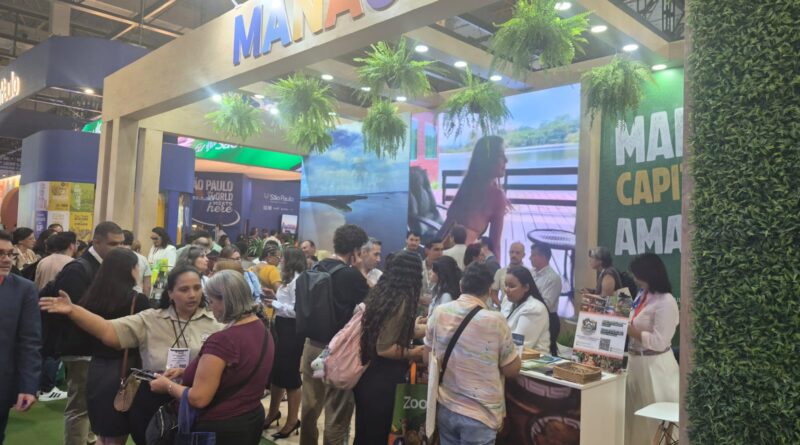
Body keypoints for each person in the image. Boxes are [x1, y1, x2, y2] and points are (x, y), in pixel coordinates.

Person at [40, 265, 224, 445]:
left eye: (197, 288)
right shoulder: (150, 319)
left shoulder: (217, 324)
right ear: (170, 293)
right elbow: (107, 329)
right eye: (184, 289)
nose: (192, 294)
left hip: (198, 401)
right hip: (153, 401)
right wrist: (73, 311)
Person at [148, 270, 274, 445]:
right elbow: (236, 370)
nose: (210, 307)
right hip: (250, 418)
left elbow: (198, 398)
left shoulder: (223, 340)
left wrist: (167, 386)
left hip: (218, 427)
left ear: (225, 301)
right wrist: (187, 371)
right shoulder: (261, 328)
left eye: (211, 301)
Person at [425, 262, 521, 445]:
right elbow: (511, 369)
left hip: (446, 406)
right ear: (489, 290)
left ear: (461, 285)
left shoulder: (440, 312)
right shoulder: (495, 320)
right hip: (481, 414)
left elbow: (427, 358)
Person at [52, 221, 124, 445]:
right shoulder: (78, 269)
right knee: (80, 407)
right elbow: (73, 312)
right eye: (113, 244)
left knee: (92, 405)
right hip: (81, 348)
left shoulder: (104, 267)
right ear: (96, 242)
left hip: (98, 347)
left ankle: (90, 440)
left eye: (122, 244)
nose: (119, 249)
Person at [299, 224, 369, 445]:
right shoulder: (351, 275)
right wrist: (361, 269)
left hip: (311, 346)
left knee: (309, 408)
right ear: (356, 250)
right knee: (337, 414)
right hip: (338, 352)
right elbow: (373, 302)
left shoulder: (317, 267)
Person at [354, 251, 426, 444]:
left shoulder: (384, 293)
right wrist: (415, 352)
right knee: (376, 435)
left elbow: (391, 330)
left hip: (368, 376)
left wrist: (425, 329)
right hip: (382, 382)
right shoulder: (401, 300)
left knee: (364, 432)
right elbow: (385, 348)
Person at [80, 249, 150, 445]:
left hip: (97, 368)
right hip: (126, 370)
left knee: (104, 433)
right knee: (118, 430)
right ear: (131, 270)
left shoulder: (91, 298)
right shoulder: (137, 300)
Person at [625, 253, 679, 445]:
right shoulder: (643, 295)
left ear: (649, 274)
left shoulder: (666, 301)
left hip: (656, 367)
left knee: (655, 421)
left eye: (637, 275)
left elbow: (660, 342)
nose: (635, 279)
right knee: (634, 418)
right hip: (635, 362)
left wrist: (633, 332)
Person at [438, 136, 509, 263]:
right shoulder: (497, 196)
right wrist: (498, 272)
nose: (506, 160)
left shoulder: (467, 186)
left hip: (438, 251)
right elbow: (495, 246)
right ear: (488, 161)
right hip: (457, 261)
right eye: (501, 155)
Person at [0, 231, 41, 444]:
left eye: (10, 254)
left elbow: (30, 342)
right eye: (0, 254)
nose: (6, 259)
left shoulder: (24, 289)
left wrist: (28, 386)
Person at [263, 247, 307, 439]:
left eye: (283, 258)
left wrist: (275, 304)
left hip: (292, 331)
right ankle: (273, 413)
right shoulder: (289, 280)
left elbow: (298, 311)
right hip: (282, 328)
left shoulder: (298, 280)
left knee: (290, 375)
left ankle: (292, 420)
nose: (280, 261)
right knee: (278, 373)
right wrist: (274, 297)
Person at [34, 231, 77, 403]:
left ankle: (39, 386)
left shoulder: (43, 261)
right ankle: (48, 387)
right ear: (72, 245)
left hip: (42, 307)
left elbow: (36, 285)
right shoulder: (72, 263)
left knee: (43, 348)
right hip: (60, 309)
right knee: (54, 351)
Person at [501, 266, 551, 352]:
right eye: (506, 285)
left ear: (526, 287)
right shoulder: (507, 300)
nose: (506, 290)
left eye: (512, 286)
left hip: (531, 357)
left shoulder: (535, 309)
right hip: (506, 352)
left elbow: (519, 346)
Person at [530, 244, 562, 355]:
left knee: (547, 353)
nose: (530, 258)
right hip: (533, 317)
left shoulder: (553, 278)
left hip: (548, 320)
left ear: (543, 257)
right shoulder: (531, 272)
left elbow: (546, 305)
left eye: (533, 255)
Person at [491, 242, 525, 310]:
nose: (514, 255)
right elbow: (493, 294)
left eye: (517, 253)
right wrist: (502, 306)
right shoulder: (500, 272)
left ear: (523, 255)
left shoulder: (529, 273)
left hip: (523, 309)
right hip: (503, 310)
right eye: (511, 252)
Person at [122, 230, 152, 296]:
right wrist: (145, 300)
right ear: (132, 241)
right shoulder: (143, 259)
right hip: (137, 295)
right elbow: (147, 286)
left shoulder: (113, 256)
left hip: (118, 296)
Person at [421, 238, 445, 306]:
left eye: (442, 250)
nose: (440, 253)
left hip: (434, 308)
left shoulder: (444, 271)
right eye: (436, 249)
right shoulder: (418, 267)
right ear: (426, 250)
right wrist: (420, 298)